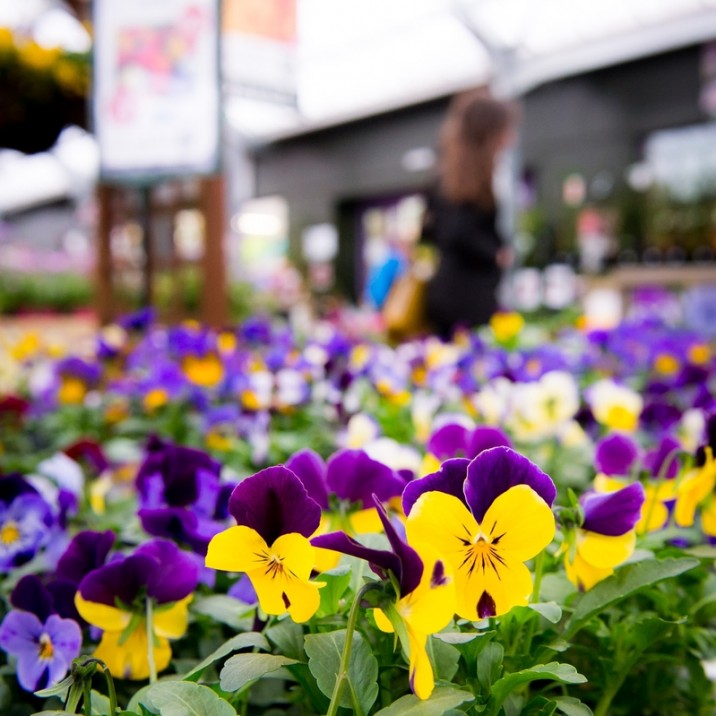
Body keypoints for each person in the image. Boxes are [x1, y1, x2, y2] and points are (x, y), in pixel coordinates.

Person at [423, 90, 516, 339]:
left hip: (450, 295)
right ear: (488, 132)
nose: (510, 138)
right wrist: (495, 253)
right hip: (467, 299)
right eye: (505, 130)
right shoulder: (468, 181)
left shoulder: (450, 175)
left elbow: (431, 232)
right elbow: (456, 232)